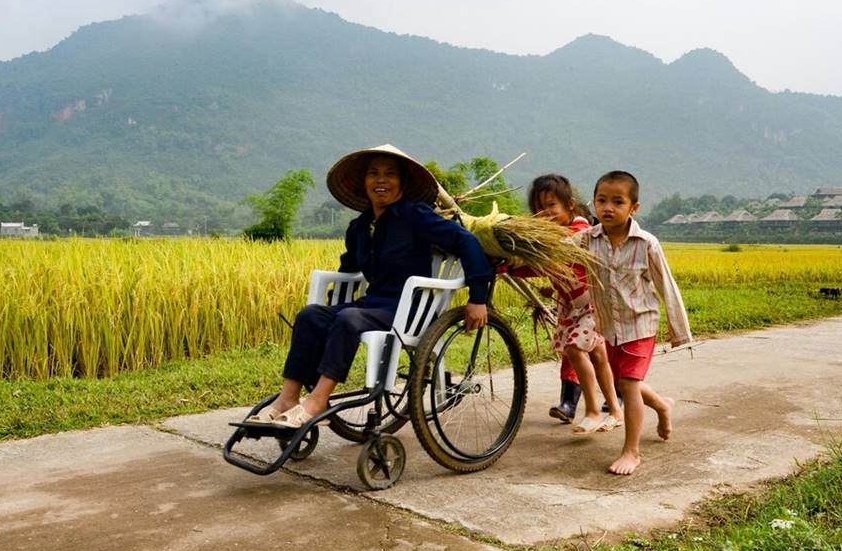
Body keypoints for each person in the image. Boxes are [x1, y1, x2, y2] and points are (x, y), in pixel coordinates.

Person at [253, 144, 493, 428]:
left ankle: (317, 402)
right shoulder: (360, 226)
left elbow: (465, 241)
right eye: (374, 174)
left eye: (390, 174)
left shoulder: (415, 216)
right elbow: (349, 269)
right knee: (311, 315)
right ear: (363, 182)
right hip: (373, 304)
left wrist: (478, 297)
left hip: (408, 309)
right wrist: (328, 308)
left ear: (402, 183)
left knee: (348, 317)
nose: (381, 180)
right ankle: (287, 399)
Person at [575, 170, 692, 475]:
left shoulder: (646, 244)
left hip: (641, 326)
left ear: (633, 208)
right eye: (601, 200)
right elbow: (557, 249)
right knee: (625, 383)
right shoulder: (588, 239)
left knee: (627, 384)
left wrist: (678, 330)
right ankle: (662, 406)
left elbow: (667, 285)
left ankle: (632, 451)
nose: (608, 208)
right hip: (610, 327)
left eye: (617, 201)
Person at [513, 174, 623, 433]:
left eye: (551, 205)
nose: (545, 213)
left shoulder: (581, 230)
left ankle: (594, 411)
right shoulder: (553, 237)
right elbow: (538, 267)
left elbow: (560, 248)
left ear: (570, 205)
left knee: (575, 349)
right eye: (539, 208)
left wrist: (528, 249)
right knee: (597, 355)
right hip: (570, 307)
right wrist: (508, 266)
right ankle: (616, 410)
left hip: (593, 304)